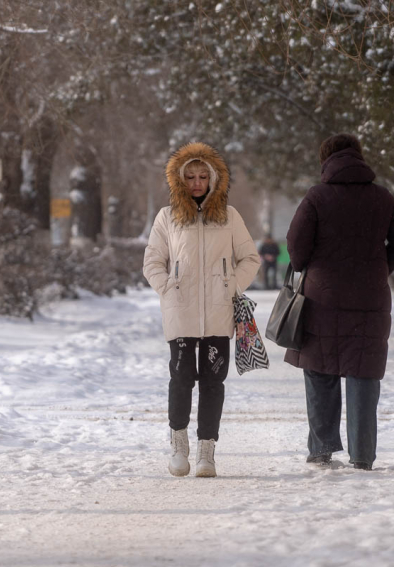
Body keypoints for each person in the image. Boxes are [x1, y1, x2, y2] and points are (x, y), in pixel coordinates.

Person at [284, 133, 394, 471]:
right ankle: (362, 455)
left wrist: (311, 267)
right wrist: (381, 265)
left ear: (325, 160)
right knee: (363, 374)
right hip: (369, 299)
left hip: (320, 299)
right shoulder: (382, 197)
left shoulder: (316, 197)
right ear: (359, 157)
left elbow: (296, 247)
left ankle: (322, 448)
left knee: (320, 370)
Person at [143, 142, 260, 478]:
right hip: (180, 310)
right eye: (190, 176)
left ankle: (207, 451)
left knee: (213, 381)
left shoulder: (229, 216)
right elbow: (153, 261)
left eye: (202, 176)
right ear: (180, 179)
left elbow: (250, 258)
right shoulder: (167, 217)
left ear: (213, 179)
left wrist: (231, 284)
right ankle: (179, 446)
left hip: (219, 313)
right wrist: (167, 287)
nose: (197, 183)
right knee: (181, 378)